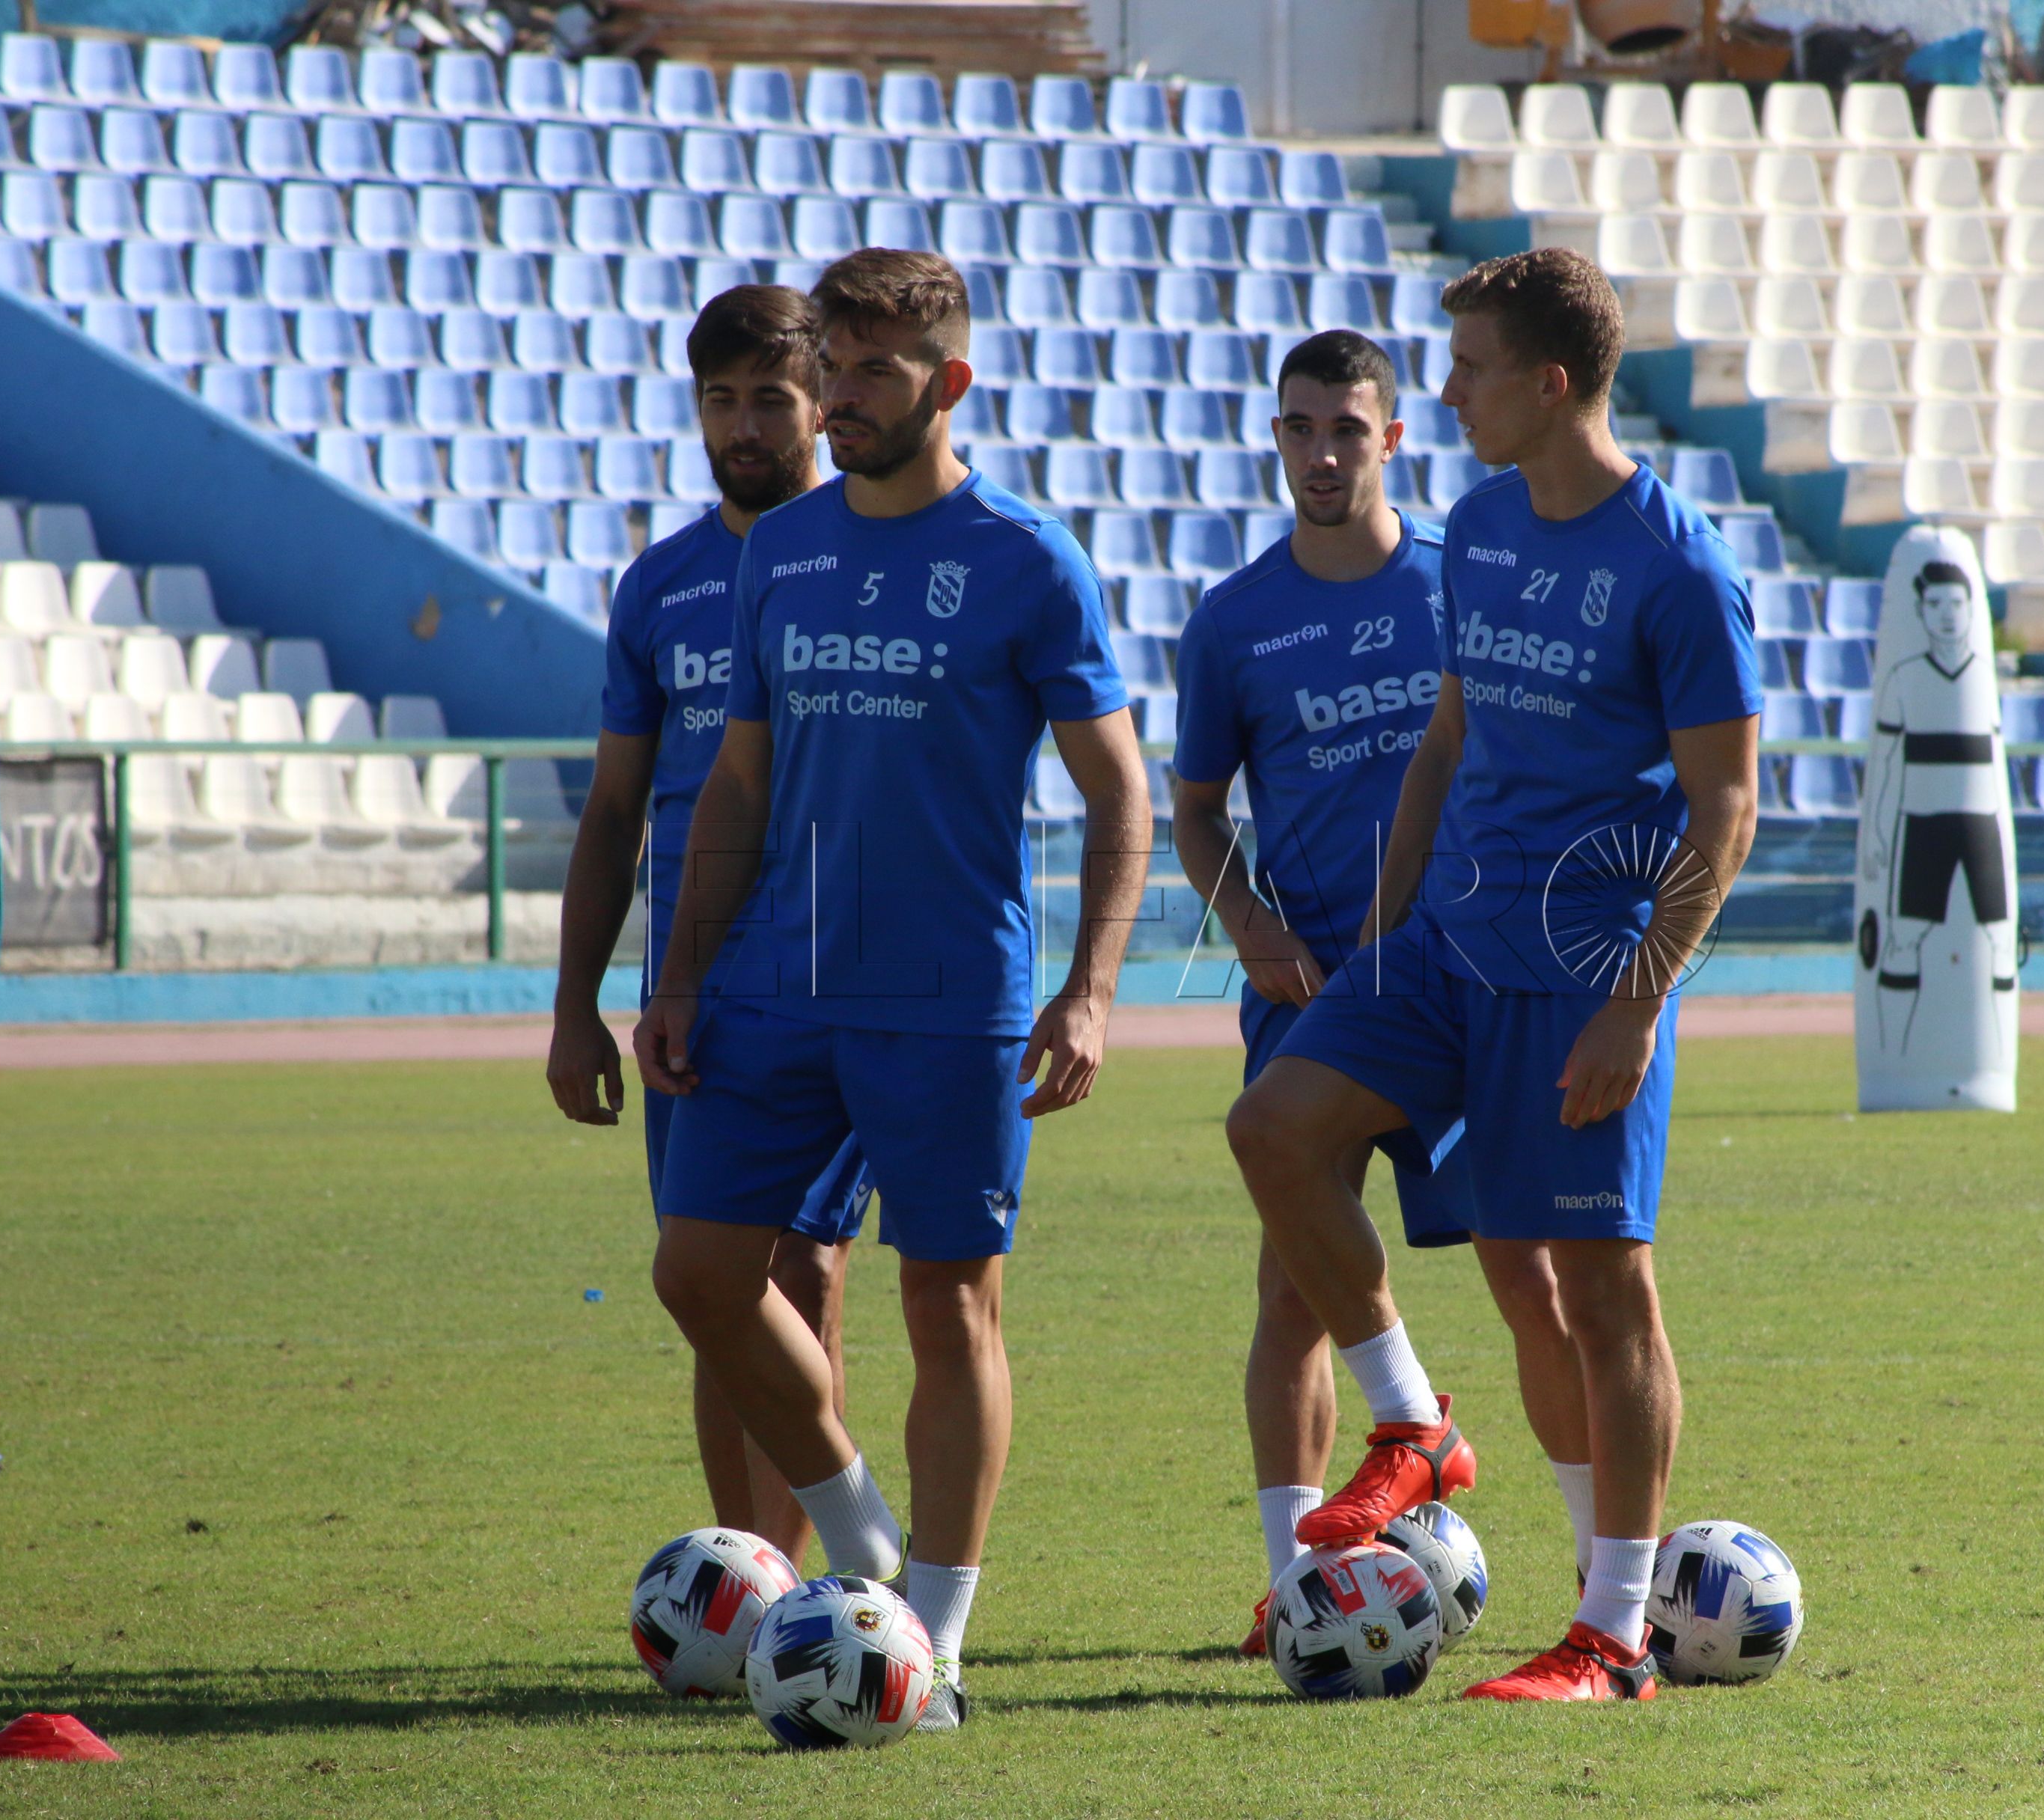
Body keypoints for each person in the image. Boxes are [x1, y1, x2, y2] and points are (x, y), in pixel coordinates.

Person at [1221, 248, 1763, 1701]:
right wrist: (1389, 936)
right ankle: (1413, 1422)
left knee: (1594, 1293)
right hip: (1445, 949)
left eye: (1465, 369)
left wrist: (1638, 1000)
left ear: (1551, 380)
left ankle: (1614, 1627)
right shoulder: (1483, 522)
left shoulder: (1675, 568)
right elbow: (1448, 744)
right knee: (1272, 1128)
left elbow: (1726, 809)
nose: (1442, 392)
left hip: (1576, 976)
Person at [633, 247, 1152, 1733]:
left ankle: (940, 1637)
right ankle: (870, 1564)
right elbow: (740, 773)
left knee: (951, 1304)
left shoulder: (1026, 558)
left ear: (951, 384)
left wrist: (1092, 988)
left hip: (950, 996)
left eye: (872, 373)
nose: (843, 400)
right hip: (774, 987)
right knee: (699, 1273)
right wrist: (677, 975)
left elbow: (1116, 789)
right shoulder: (780, 550)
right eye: (834, 370)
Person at [1169, 329, 1589, 1655]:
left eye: (1348, 428)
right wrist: (1245, 920)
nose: (1322, 453)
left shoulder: (1455, 583)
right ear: (1274, 438)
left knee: (1536, 1273)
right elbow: (1192, 809)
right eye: (1299, 428)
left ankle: (1602, 1578)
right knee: (1289, 1290)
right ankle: (1294, 1585)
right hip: (1314, 988)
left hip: (1465, 970)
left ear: (1391, 438)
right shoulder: (1233, 620)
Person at [545, 284, 867, 1563]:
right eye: (719, 399)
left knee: (808, 1271)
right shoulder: (661, 584)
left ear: (817, 404)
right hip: (692, 993)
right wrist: (574, 1008)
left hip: (836, 976)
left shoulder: (863, 562)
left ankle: (821, 1567)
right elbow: (615, 804)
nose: (743, 424)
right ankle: (753, 1570)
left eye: (769, 399)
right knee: (711, 1279)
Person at [1862, 557, 2014, 1053]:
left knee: (1998, 943)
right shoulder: (1904, 679)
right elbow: (1885, 766)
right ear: (1920, 610)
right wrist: (1881, 833)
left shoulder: (1982, 680)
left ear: (1971, 609)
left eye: (1956, 603)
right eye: (1935, 604)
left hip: (1981, 828)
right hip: (1922, 826)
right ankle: (1894, 1054)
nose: (1947, 614)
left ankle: (1992, 1054)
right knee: (1904, 939)